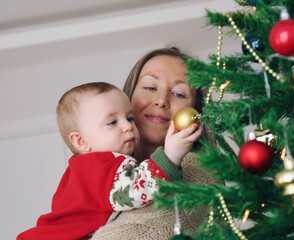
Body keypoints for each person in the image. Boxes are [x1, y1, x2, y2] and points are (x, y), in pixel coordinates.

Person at [17, 82, 202, 240]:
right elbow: (136, 190)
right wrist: (171, 155)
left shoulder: (80, 168)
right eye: (112, 122)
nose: (128, 126)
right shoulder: (103, 165)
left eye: (129, 118)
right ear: (82, 141)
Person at [91, 47, 217, 240]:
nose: (161, 101)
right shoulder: (98, 168)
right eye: (150, 88)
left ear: (196, 112)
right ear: (127, 97)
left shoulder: (199, 172)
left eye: (179, 94)